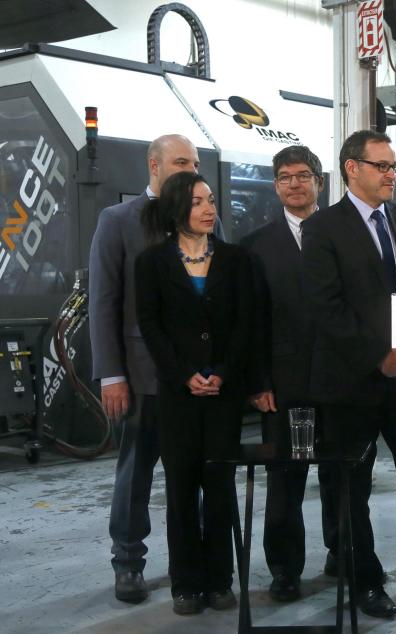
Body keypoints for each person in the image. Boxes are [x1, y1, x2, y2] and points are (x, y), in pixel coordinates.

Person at [301, 130, 396, 619]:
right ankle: (366, 582)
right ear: (352, 168)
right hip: (350, 381)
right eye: (382, 166)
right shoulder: (322, 228)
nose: (391, 174)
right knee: (350, 487)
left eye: (394, 167)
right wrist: (380, 354)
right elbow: (325, 307)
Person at [89, 134, 202, 603]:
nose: (190, 168)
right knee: (134, 474)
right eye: (181, 161)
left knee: (190, 475)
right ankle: (128, 562)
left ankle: (191, 568)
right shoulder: (117, 221)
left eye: (194, 162)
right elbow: (104, 301)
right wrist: (112, 375)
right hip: (139, 377)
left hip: (192, 379)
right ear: (153, 165)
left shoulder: (202, 217)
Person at [135, 172, 254, 615]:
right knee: (182, 490)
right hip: (178, 396)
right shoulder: (151, 263)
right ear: (176, 210)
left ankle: (220, 580)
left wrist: (222, 373)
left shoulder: (236, 259)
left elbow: (246, 324)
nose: (210, 209)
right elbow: (151, 326)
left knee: (220, 487)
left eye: (211, 200)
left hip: (223, 394)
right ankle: (186, 584)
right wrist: (185, 374)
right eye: (198, 202)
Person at [242, 145, 337, 603]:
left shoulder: (344, 232)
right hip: (283, 382)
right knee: (286, 478)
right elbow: (250, 321)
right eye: (284, 177)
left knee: (343, 473)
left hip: (341, 377)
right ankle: (284, 569)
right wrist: (258, 381)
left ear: (319, 181)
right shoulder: (255, 245)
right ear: (276, 185)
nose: (294, 184)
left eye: (303, 175)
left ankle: (344, 552)